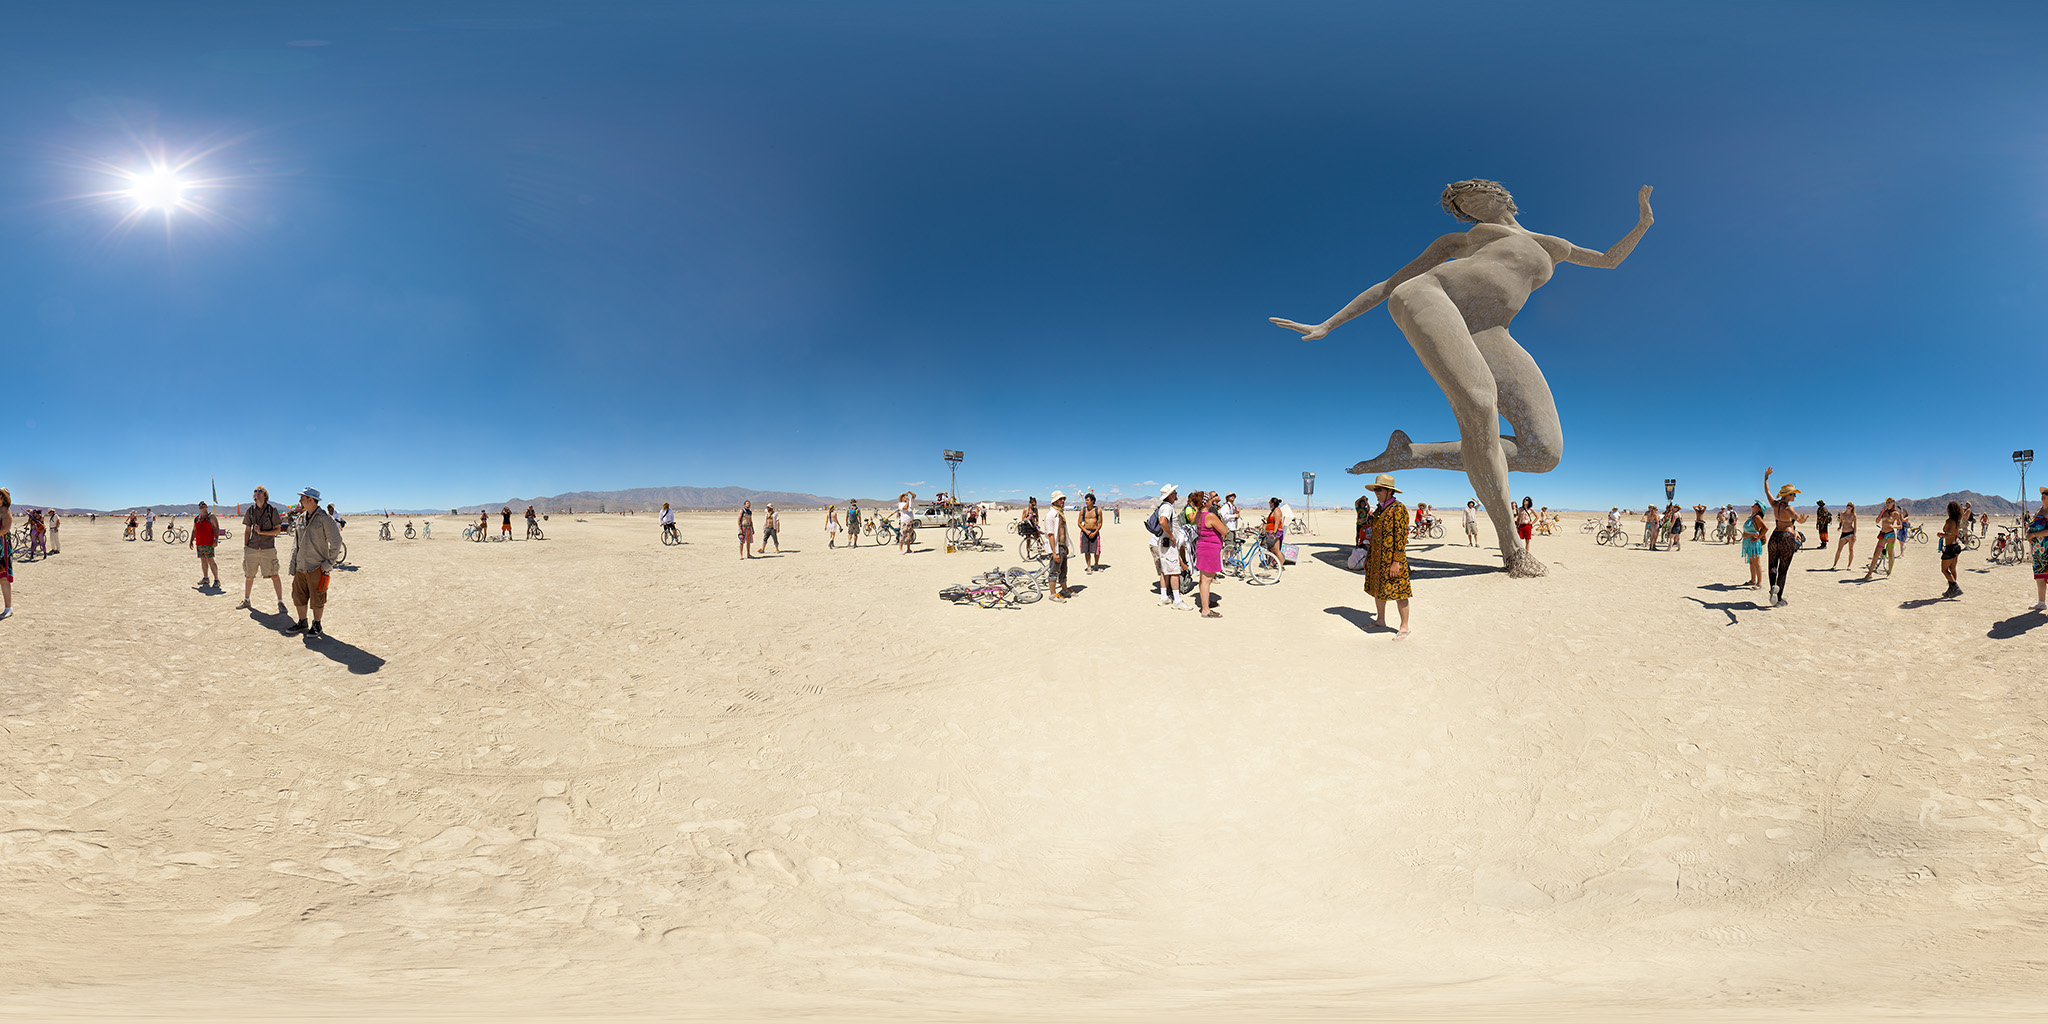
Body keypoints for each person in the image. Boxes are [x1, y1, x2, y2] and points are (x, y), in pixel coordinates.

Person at [1271, 180, 1654, 577]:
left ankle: (1409, 455)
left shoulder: (1553, 245)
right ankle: (1512, 551)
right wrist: (1330, 323)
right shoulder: (1459, 240)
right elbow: (1390, 284)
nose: (1465, 207)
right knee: (1478, 404)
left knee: (1545, 452)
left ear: (1500, 195)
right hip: (1432, 296)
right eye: (1460, 205)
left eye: (1469, 197)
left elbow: (1609, 259)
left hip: (1492, 331)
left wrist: (1643, 222)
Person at [286, 487, 342, 636]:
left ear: (311, 500)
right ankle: (302, 622)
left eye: (302, 498)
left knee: (318, 598)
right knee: (298, 596)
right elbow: (295, 544)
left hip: (316, 567)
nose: (300, 501)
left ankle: (317, 625)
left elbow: (336, 542)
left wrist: (327, 565)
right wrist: (293, 565)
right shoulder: (301, 518)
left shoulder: (325, 518)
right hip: (300, 567)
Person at [1362, 474, 1412, 638]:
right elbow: (1374, 536)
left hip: (1393, 560)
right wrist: (1368, 557)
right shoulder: (1378, 510)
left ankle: (1404, 627)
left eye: (1379, 489)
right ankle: (1380, 620)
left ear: (1389, 491)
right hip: (1377, 559)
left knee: (1400, 592)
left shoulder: (1399, 509)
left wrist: (1396, 561)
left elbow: (1401, 537)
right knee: (1378, 590)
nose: (1376, 492)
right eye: (1375, 490)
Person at [1761, 468, 1807, 608]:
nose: (1795, 497)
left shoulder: (1775, 505)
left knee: (1772, 565)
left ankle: (1772, 588)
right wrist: (1802, 520)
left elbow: (1767, 492)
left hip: (1775, 536)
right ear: (1787, 496)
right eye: (1793, 494)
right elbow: (1798, 520)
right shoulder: (1789, 509)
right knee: (1783, 569)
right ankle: (1779, 599)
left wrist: (1766, 477)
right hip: (1787, 537)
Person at [239, 486, 288, 612]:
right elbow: (247, 530)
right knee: (249, 575)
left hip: (268, 548)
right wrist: (245, 547)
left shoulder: (272, 510)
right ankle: (246, 599)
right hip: (252, 547)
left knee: (274, 575)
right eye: (255, 491)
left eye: (260, 492)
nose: (257, 493)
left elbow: (278, 530)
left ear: (265, 495)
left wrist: (262, 533)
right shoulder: (250, 511)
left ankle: (280, 602)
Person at [1152, 484, 1187, 609]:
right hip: (1168, 543)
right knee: (1174, 571)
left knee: (1165, 571)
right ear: (1170, 495)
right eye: (1175, 492)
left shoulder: (1164, 506)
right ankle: (1177, 600)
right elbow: (1162, 521)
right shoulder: (1167, 507)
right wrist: (1172, 536)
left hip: (1164, 543)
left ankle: (1164, 597)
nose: (1176, 494)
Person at [1194, 492, 1227, 617]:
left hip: (1203, 547)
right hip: (1209, 550)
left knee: (1203, 579)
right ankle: (1206, 610)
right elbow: (1224, 530)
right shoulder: (1210, 516)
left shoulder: (1198, 514)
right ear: (1205, 502)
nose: (1211, 500)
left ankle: (1205, 602)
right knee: (1206, 580)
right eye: (1209, 499)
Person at [189, 501, 223, 589]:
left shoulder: (211, 517)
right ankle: (206, 578)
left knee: (210, 560)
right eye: (200, 505)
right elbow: (194, 530)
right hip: (199, 543)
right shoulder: (197, 518)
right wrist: (191, 540)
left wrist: (216, 539)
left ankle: (216, 579)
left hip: (209, 543)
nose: (201, 506)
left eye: (203, 505)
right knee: (203, 560)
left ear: (206, 506)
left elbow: (216, 528)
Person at [1864, 498, 1899, 580]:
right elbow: (1877, 521)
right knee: (1876, 554)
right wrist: (1882, 511)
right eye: (1886, 502)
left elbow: (1900, 526)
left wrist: (1893, 526)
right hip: (1883, 535)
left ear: (1893, 503)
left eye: (1889, 502)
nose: (1887, 503)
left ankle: (1889, 572)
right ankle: (1869, 574)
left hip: (1891, 535)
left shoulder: (1895, 514)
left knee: (1890, 555)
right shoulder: (1884, 512)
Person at [1045, 491, 1072, 598]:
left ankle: (1064, 590)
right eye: (1060, 499)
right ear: (1054, 501)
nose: (1063, 501)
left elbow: (1063, 532)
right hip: (1055, 548)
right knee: (1054, 571)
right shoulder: (1051, 515)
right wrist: (1054, 552)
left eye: (1063, 499)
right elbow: (1051, 535)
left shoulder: (1060, 514)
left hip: (1062, 546)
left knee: (1063, 570)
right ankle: (1052, 594)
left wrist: (1065, 545)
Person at [1938, 500, 1963, 598]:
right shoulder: (1957, 521)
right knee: (1952, 569)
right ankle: (1951, 590)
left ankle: (1956, 587)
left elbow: (1948, 535)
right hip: (1956, 547)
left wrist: (1941, 535)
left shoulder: (1949, 521)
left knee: (1944, 570)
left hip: (1950, 548)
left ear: (1950, 510)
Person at [2029, 488, 2048, 611]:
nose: (2043, 495)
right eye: (2042, 493)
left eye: (2046, 494)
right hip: (2037, 550)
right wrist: (2028, 532)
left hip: (2046, 548)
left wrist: (2034, 535)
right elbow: (2031, 525)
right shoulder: (2038, 510)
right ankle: (2041, 602)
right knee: (2040, 575)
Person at [1741, 501, 1766, 590]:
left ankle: (1759, 583)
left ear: (1759, 509)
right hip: (1748, 543)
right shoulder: (1752, 517)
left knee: (1757, 563)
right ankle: (1752, 580)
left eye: (1755, 505)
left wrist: (1758, 537)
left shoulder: (1757, 517)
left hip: (1753, 543)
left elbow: (1765, 528)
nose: (1753, 505)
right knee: (1751, 562)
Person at [1079, 492, 1104, 573]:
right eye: (1086, 500)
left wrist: (1095, 532)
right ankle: (1089, 566)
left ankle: (1096, 564)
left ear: (1092, 501)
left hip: (1094, 532)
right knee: (1087, 550)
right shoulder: (1082, 511)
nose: (1086, 502)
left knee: (1097, 550)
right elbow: (1079, 523)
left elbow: (1100, 523)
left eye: (1088, 500)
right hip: (1085, 532)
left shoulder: (1098, 511)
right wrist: (1086, 531)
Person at [1832, 502, 1859, 570]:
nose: (1849, 507)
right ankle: (1834, 565)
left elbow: (1855, 526)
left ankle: (1849, 565)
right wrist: (1839, 527)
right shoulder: (1842, 514)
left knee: (1850, 550)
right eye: (1848, 505)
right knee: (1839, 550)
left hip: (1850, 533)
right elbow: (1841, 522)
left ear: (1852, 508)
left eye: (1851, 506)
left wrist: (1854, 535)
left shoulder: (1853, 515)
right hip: (1843, 533)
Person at [0, 488, 13, 621]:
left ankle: (8, 608)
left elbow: (5, 529)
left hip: (1, 547)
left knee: (3, 578)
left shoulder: (5, 510)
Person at [1262, 496, 1286, 564]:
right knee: (1272, 550)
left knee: (1276, 550)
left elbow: (1277, 523)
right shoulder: (1273, 510)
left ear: (1272, 503)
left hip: (1275, 532)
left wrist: (1274, 533)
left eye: (1269, 502)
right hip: (1270, 532)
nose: (1269, 503)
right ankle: (1272, 564)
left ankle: (1281, 566)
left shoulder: (1277, 510)